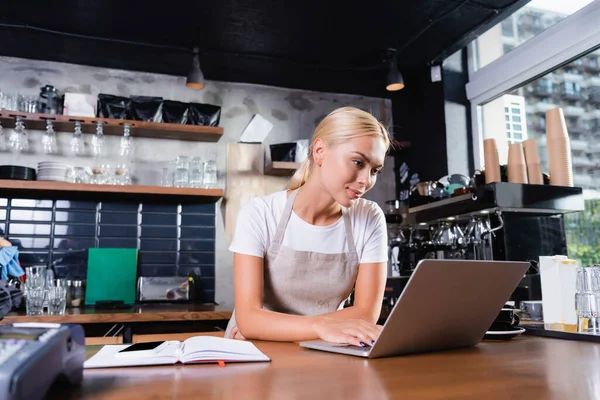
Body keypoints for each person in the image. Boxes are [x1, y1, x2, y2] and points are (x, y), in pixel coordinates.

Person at [226, 106, 390, 347]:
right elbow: (249, 319)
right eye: (358, 162)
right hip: (255, 350)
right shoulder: (259, 213)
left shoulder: (369, 217)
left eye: (374, 170)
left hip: (323, 350)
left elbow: (366, 314)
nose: (366, 180)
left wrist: (271, 327)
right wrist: (321, 328)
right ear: (320, 151)